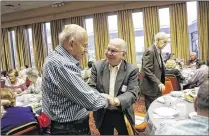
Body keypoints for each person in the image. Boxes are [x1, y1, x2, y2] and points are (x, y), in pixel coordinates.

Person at [42, 24, 108, 135]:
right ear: (72, 44)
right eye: (84, 46)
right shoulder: (62, 64)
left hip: (64, 126)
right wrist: (107, 99)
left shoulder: (54, 58)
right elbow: (91, 101)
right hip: (70, 128)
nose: (86, 50)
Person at [88, 38, 138, 135]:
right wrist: (102, 98)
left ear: (124, 55)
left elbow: (132, 93)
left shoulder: (131, 69)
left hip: (122, 112)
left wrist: (115, 101)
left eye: (113, 51)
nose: (109, 53)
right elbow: (91, 88)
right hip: (102, 112)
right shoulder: (97, 66)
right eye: (108, 49)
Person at [140, 32, 168, 111]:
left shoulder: (158, 50)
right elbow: (147, 69)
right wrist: (158, 82)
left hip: (157, 85)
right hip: (150, 86)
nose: (166, 44)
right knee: (151, 109)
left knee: (157, 108)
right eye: (164, 42)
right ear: (158, 40)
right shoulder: (150, 51)